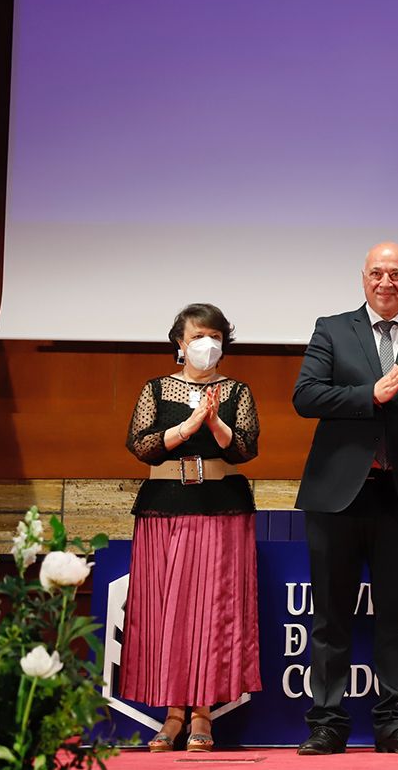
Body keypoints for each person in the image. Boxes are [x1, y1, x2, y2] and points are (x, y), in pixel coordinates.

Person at [292, 243, 398, 755]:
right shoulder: (332, 328)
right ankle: (326, 723)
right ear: (362, 278)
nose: (386, 282)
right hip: (337, 495)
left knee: (396, 618)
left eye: (396, 274)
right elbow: (306, 396)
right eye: (377, 273)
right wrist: (373, 393)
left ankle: (393, 723)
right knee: (330, 618)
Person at [122, 303, 261, 753]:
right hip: (165, 506)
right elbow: (141, 446)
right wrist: (187, 424)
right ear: (179, 343)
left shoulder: (236, 391)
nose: (208, 345)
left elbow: (245, 450)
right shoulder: (156, 388)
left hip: (220, 507)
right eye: (199, 336)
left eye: (217, 337)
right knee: (167, 611)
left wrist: (215, 419)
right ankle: (172, 713)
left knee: (211, 611)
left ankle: (202, 712)